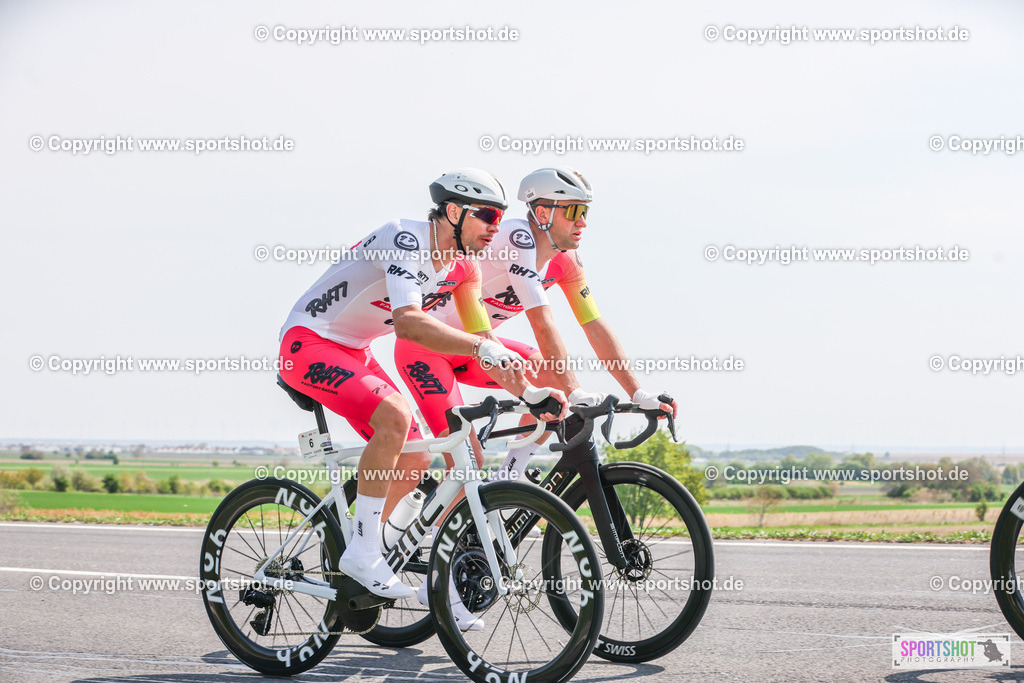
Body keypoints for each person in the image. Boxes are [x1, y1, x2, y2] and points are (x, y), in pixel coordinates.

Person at [277, 168, 567, 610]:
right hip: (307, 343)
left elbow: (483, 342)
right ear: (453, 211)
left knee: (414, 455)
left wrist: (529, 393)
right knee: (396, 416)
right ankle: (362, 553)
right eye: (487, 215)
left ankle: (367, 552)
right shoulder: (404, 238)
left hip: (355, 351)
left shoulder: (464, 268)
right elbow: (410, 324)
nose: (496, 227)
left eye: (500, 216)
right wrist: (480, 347)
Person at [395, 164, 677, 502]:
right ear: (542, 213)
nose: (583, 221)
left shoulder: (566, 260)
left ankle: (506, 483)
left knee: (549, 380)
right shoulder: (516, 238)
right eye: (573, 211)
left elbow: (594, 327)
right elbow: (543, 323)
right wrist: (574, 392)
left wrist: (638, 391)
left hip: (480, 350)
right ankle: (438, 540)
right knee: (468, 462)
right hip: (427, 351)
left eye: (585, 211)